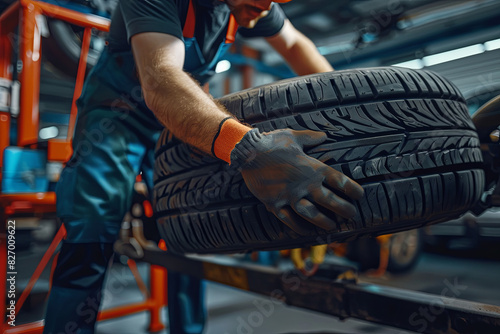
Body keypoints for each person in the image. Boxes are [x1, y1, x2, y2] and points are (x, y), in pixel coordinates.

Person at [43, 0, 364, 333]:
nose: (267, 5)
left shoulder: (256, 5)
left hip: (183, 120)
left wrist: (352, 106)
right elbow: (161, 81)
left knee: (188, 229)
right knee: (91, 231)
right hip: (116, 117)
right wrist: (250, 148)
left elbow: (295, 43)